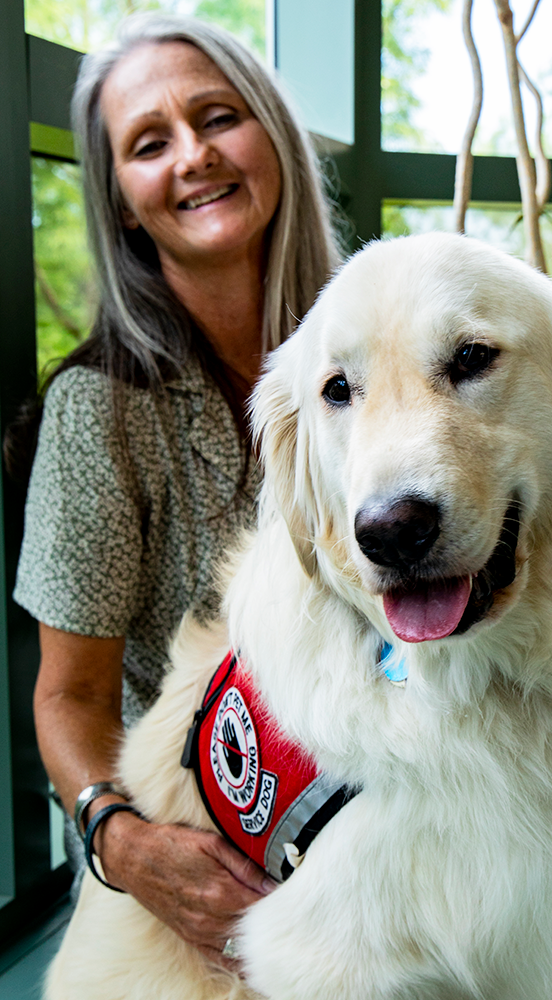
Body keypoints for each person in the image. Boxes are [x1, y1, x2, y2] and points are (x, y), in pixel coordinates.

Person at [11, 12, 340, 968]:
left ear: (271, 137)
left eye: (218, 117)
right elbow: (69, 698)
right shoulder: (99, 412)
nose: (193, 156)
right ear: (120, 202)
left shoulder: (368, 341)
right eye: (150, 144)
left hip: (406, 793)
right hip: (214, 844)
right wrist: (124, 842)